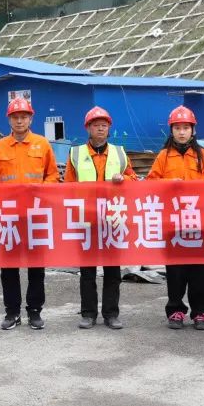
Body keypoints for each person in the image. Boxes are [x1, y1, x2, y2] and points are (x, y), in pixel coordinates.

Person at [63, 106, 139, 330]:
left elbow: (134, 180)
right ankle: (88, 313)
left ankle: (111, 314)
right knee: (87, 271)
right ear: (88, 128)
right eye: (96, 125)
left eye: (104, 125)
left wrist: (123, 179)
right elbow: (67, 187)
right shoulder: (76, 154)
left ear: (109, 129)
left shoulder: (119, 153)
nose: (100, 128)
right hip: (86, 219)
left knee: (112, 271)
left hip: (112, 219)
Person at [0, 97, 59, 330]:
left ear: (31, 118)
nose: (19, 120)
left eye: (23, 116)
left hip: (35, 215)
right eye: (15, 117)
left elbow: (52, 177)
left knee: (36, 267)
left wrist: (42, 193)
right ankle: (12, 312)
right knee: (8, 268)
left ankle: (35, 311)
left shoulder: (42, 144)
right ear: (9, 119)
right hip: (9, 216)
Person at [147, 106, 204, 330]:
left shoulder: (203, 156)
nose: (182, 132)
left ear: (193, 130)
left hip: (198, 221)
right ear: (172, 131)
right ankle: (175, 310)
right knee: (175, 270)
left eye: (186, 128)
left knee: (199, 270)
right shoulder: (163, 156)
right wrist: (168, 185)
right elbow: (150, 184)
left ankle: (200, 313)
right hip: (173, 222)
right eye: (177, 128)